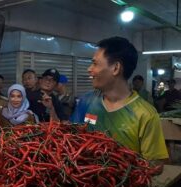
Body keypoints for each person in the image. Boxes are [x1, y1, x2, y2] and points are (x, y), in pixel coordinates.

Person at [71, 36, 168, 164]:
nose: (89, 69)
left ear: (115, 68)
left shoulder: (145, 114)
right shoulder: (87, 101)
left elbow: (155, 164)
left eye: (95, 63)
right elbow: (70, 137)